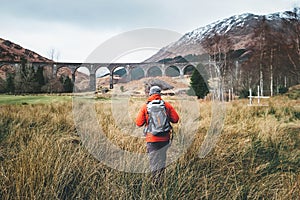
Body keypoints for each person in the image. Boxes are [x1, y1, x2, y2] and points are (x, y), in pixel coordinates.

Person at [135, 85, 179, 186]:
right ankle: (161, 182)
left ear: (150, 94)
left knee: (154, 162)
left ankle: (156, 185)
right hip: (165, 138)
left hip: (152, 139)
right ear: (160, 94)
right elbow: (176, 119)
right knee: (162, 160)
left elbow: (138, 123)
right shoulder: (167, 105)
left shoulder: (145, 106)